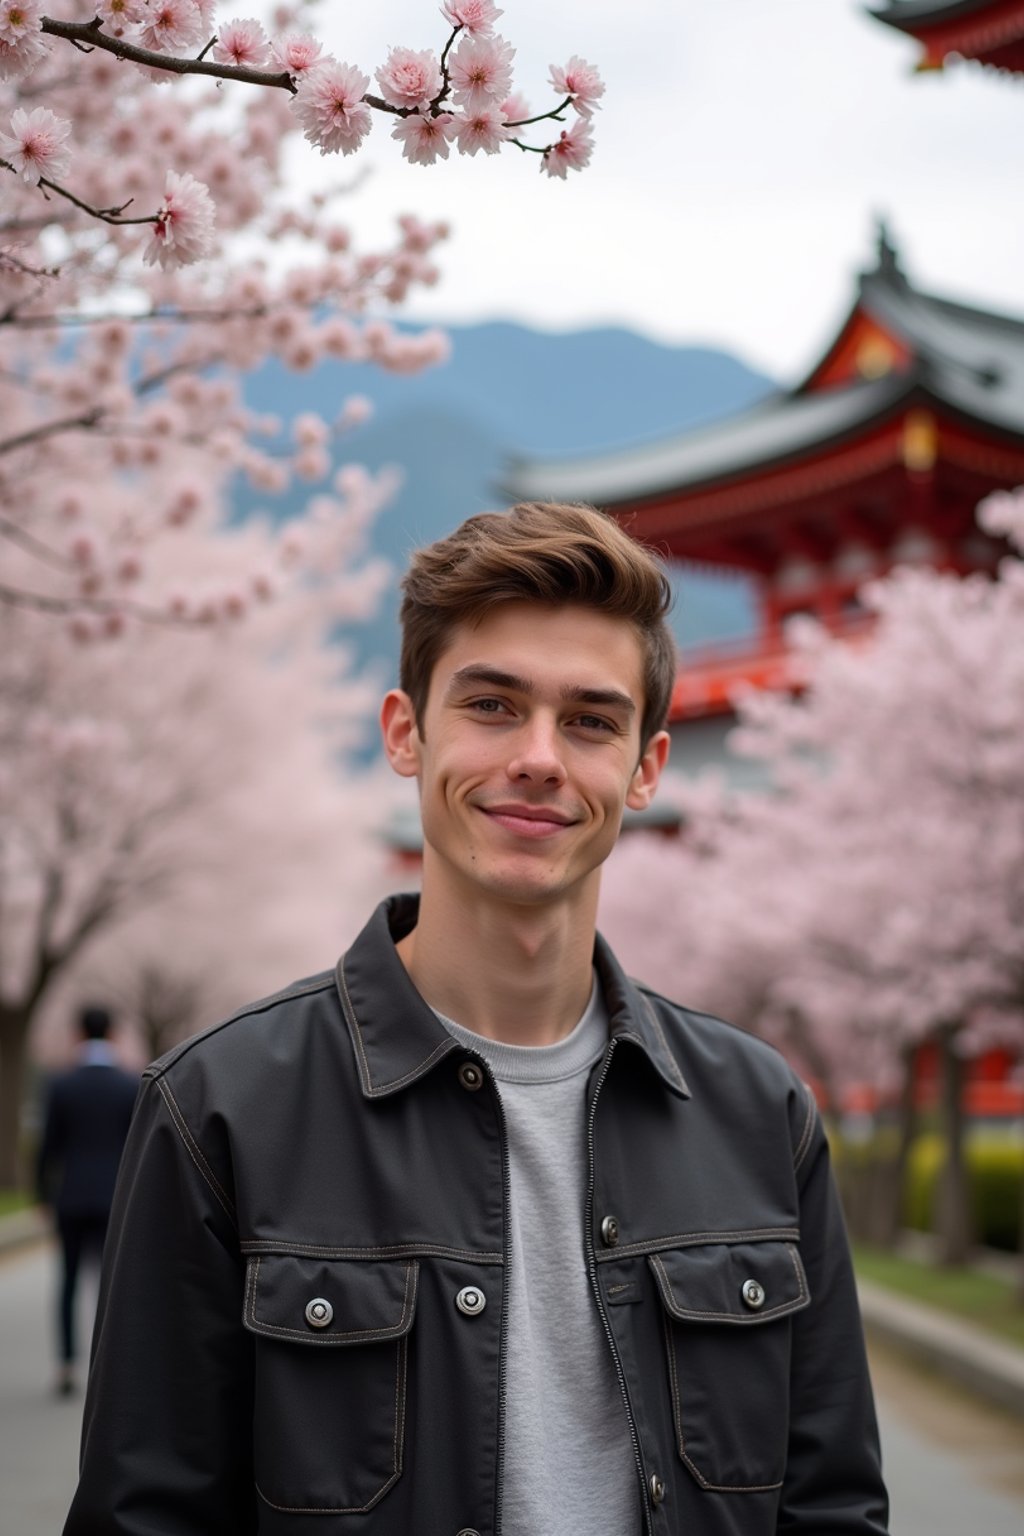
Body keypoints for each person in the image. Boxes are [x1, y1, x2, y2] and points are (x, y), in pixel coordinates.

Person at [65, 502, 888, 1535]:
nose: (539, 757)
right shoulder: (218, 1111)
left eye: (590, 720)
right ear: (407, 734)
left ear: (645, 769)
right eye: (492, 706)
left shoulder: (759, 1112)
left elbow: (833, 1509)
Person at [36, 1003, 139, 1397]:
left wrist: (42, 1195)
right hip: (115, 1196)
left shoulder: (60, 1083)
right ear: (112, 1034)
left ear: (78, 1034)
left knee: (68, 1280)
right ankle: (109, 1366)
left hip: (72, 1195)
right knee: (111, 1285)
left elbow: (48, 1146)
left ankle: (66, 1365)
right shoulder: (130, 1084)